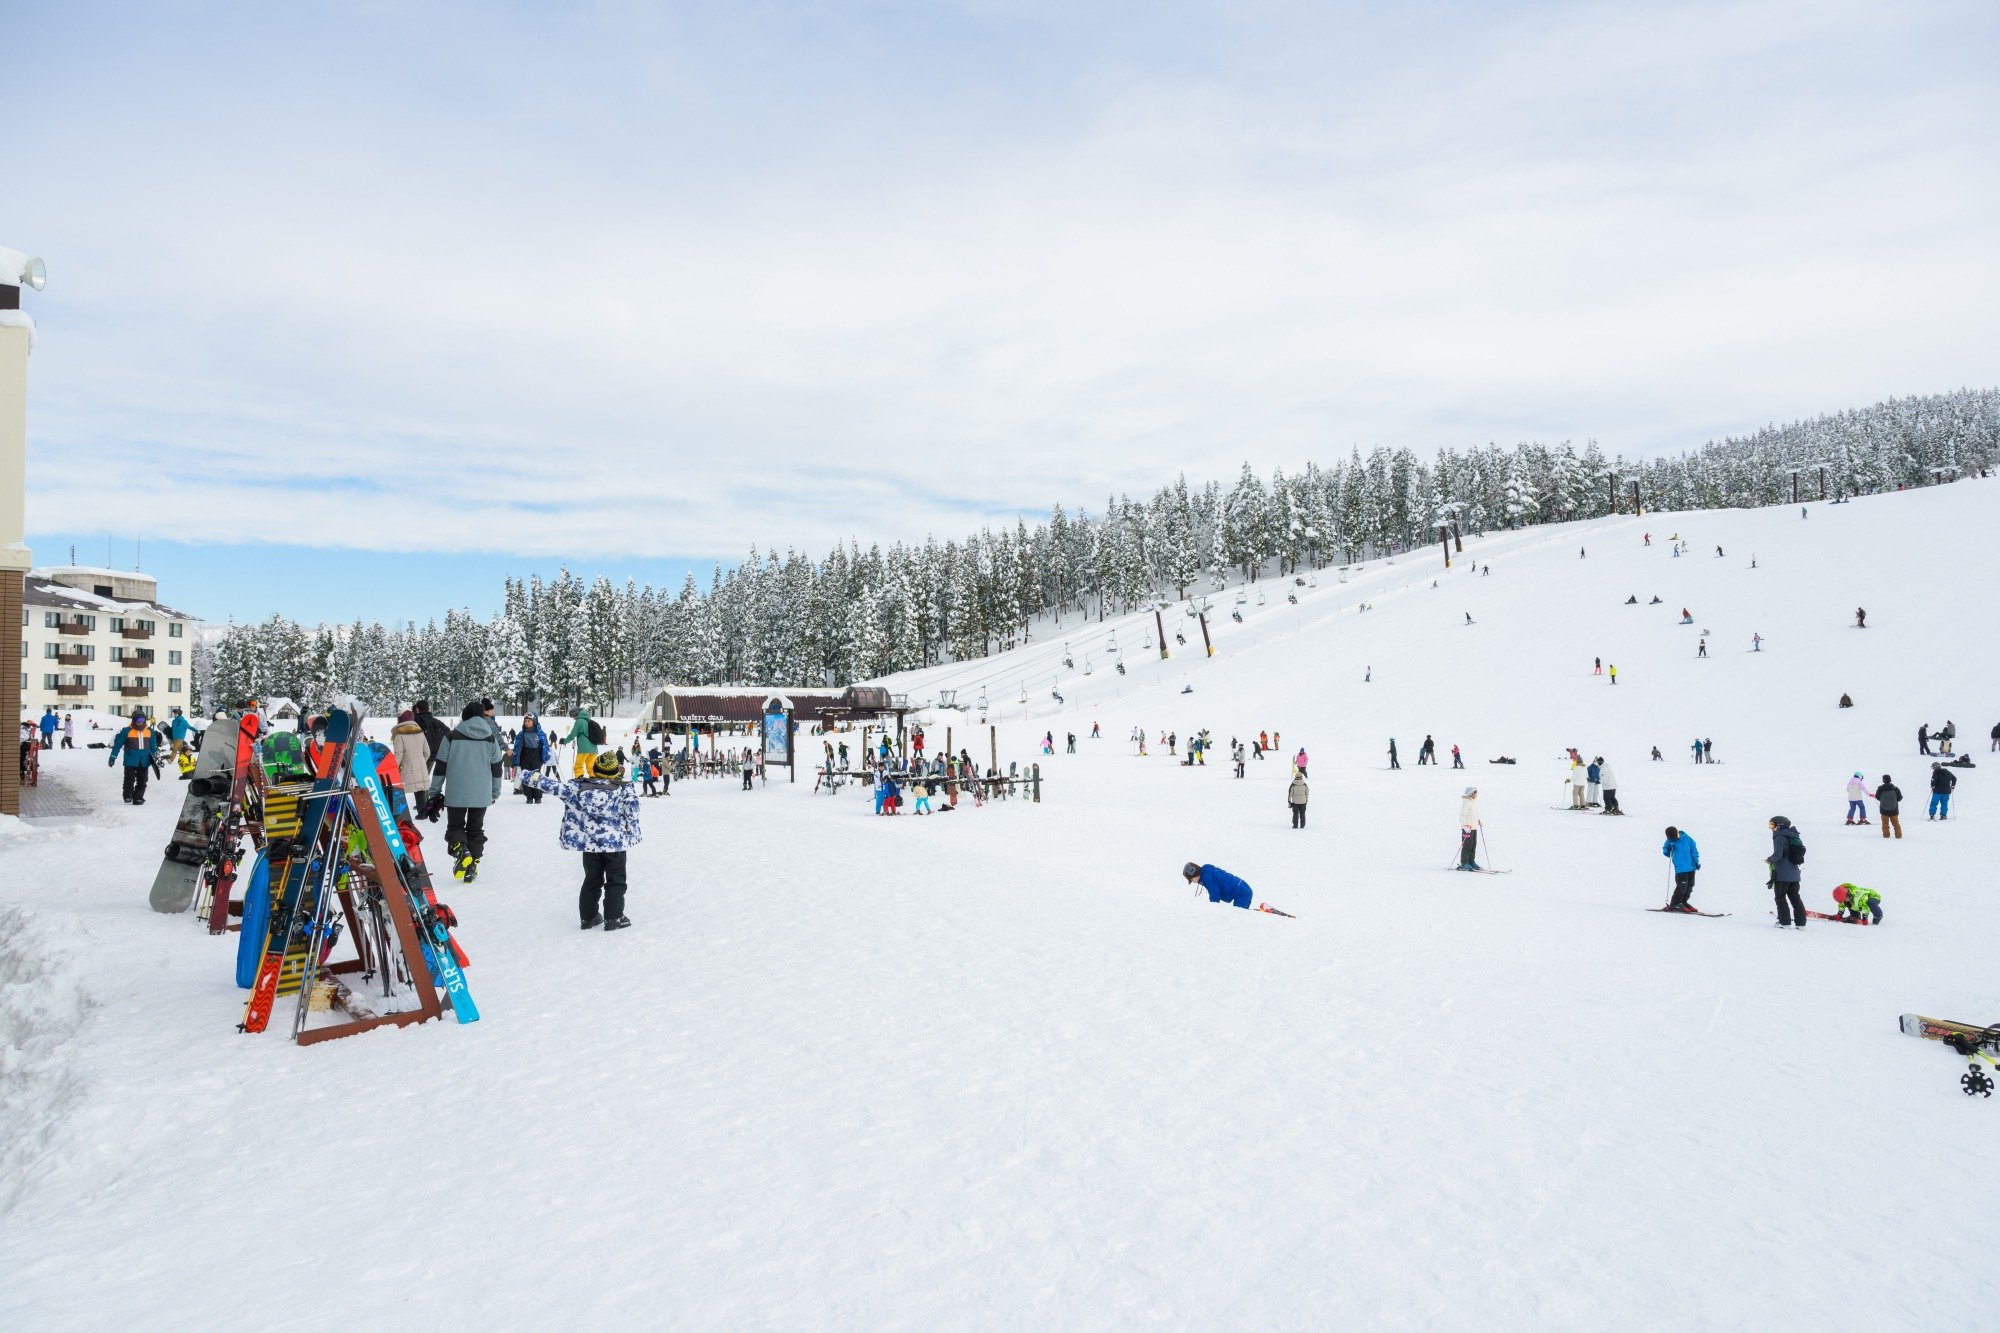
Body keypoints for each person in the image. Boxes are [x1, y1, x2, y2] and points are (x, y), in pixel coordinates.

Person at [524, 751, 641, 931]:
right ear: (615, 772)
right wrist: (629, 827)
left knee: (592, 879)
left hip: (590, 846)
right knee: (616, 881)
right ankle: (614, 918)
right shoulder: (623, 790)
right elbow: (633, 811)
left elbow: (553, 786)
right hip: (615, 846)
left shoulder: (579, 789)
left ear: (595, 770)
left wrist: (527, 775)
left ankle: (588, 917)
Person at [431, 701, 505, 882]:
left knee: (455, 826)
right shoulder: (490, 738)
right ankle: (472, 865)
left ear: (464, 716)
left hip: (456, 792)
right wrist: (495, 792)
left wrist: (434, 792)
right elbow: (497, 768)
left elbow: (440, 766)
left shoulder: (451, 736)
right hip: (481, 793)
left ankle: (461, 850)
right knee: (476, 828)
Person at [108, 710, 159, 804]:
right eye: (137, 719)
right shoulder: (127, 731)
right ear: (133, 719)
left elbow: (154, 746)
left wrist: (156, 756)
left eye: (142, 719)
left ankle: (138, 797)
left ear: (145, 720)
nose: (140, 722)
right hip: (130, 760)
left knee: (143, 780)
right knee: (129, 779)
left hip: (144, 760)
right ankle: (128, 795)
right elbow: (118, 744)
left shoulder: (149, 731)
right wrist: (113, 756)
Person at [1767, 815, 1806, 929]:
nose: (1771, 828)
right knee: (1795, 898)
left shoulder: (1779, 837)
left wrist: (1769, 860)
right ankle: (1801, 924)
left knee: (1780, 897)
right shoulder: (1794, 836)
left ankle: (1784, 923)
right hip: (1795, 874)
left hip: (1782, 875)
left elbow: (1778, 855)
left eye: (1772, 825)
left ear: (1779, 826)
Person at [391, 709, 432, 811]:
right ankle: (422, 812)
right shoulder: (420, 734)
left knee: (399, 789)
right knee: (420, 789)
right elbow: (427, 753)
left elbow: (398, 754)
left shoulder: (399, 735)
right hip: (420, 766)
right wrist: (420, 762)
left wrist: (394, 768)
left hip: (405, 767)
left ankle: (401, 813)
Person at [1181, 861, 1254, 910]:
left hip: (1242, 892)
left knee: (1239, 915)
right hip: (1241, 889)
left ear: (1194, 874)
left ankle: (1256, 915)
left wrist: (1213, 910)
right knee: (1239, 913)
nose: (1193, 882)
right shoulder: (1206, 873)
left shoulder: (1208, 876)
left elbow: (1214, 893)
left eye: (1192, 879)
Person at [512, 715, 551, 802]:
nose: (526, 723)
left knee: (536, 776)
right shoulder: (521, 734)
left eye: (529, 721)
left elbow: (545, 746)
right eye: (525, 721)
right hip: (525, 757)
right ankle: (529, 796)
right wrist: (515, 759)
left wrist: (545, 757)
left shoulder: (540, 733)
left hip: (536, 758)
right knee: (525, 777)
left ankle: (537, 796)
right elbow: (517, 748)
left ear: (534, 722)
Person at [1661, 826, 1699, 911]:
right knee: (1682, 886)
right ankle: (1675, 904)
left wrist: (1696, 861)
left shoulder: (1687, 838)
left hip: (1691, 866)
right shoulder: (1669, 841)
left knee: (1690, 885)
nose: (1673, 839)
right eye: (1671, 838)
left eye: (1674, 837)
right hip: (1680, 868)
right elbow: (1666, 852)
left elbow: (1694, 850)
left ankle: (1683, 902)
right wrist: (1668, 849)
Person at [567, 707, 603, 778]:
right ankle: (593, 777)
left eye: (572, 716)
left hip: (584, 748)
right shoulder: (589, 721)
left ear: (575, 714)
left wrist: (564, 741)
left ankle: (579, 777)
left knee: (578, 766)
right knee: (591, 766)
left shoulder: (579, 721)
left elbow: (572, 735)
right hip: (594, 749)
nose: (573, 718)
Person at [1457, 787, 1481, 870]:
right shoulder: (1467, 803)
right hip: (1467, 829)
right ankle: (1464, 863)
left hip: (1474, 828)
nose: (1476, 794)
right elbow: (1462, 816)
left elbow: (1473, 814)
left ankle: (1471, 862)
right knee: (1467, 846)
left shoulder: (1473, 802)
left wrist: (1478, 820)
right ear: (1471, 794)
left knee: (1473, 845)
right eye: (1475, 793)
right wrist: (1465, 826)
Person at [1875, 774, 1904, 839]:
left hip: (1884, 809)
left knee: (1885, 823)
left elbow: (1877, 797)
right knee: (1895, 823)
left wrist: (1883, 801)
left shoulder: (1880, 789)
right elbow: (1900, 798)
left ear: (1883, 780)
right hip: (1894, 809)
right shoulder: (1895, 789)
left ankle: (1886, 835)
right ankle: (1898, 836)